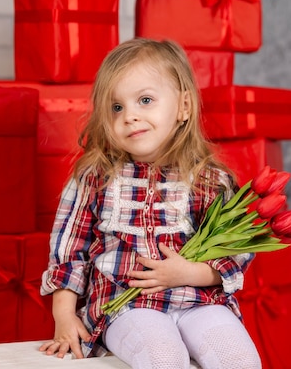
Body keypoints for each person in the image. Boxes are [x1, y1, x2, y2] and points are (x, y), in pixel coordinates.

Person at [39, 38, 261, 369]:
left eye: (145, 100)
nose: (130, 116)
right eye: (117, 107)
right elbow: (70, 251)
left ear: (184, 106)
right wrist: (64, 315)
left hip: (199, 300)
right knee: (163, 358)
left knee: (240, 360)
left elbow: (237, 252)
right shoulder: (95, 177)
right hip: (127, 306)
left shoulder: (210, 180)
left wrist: (189, 273)